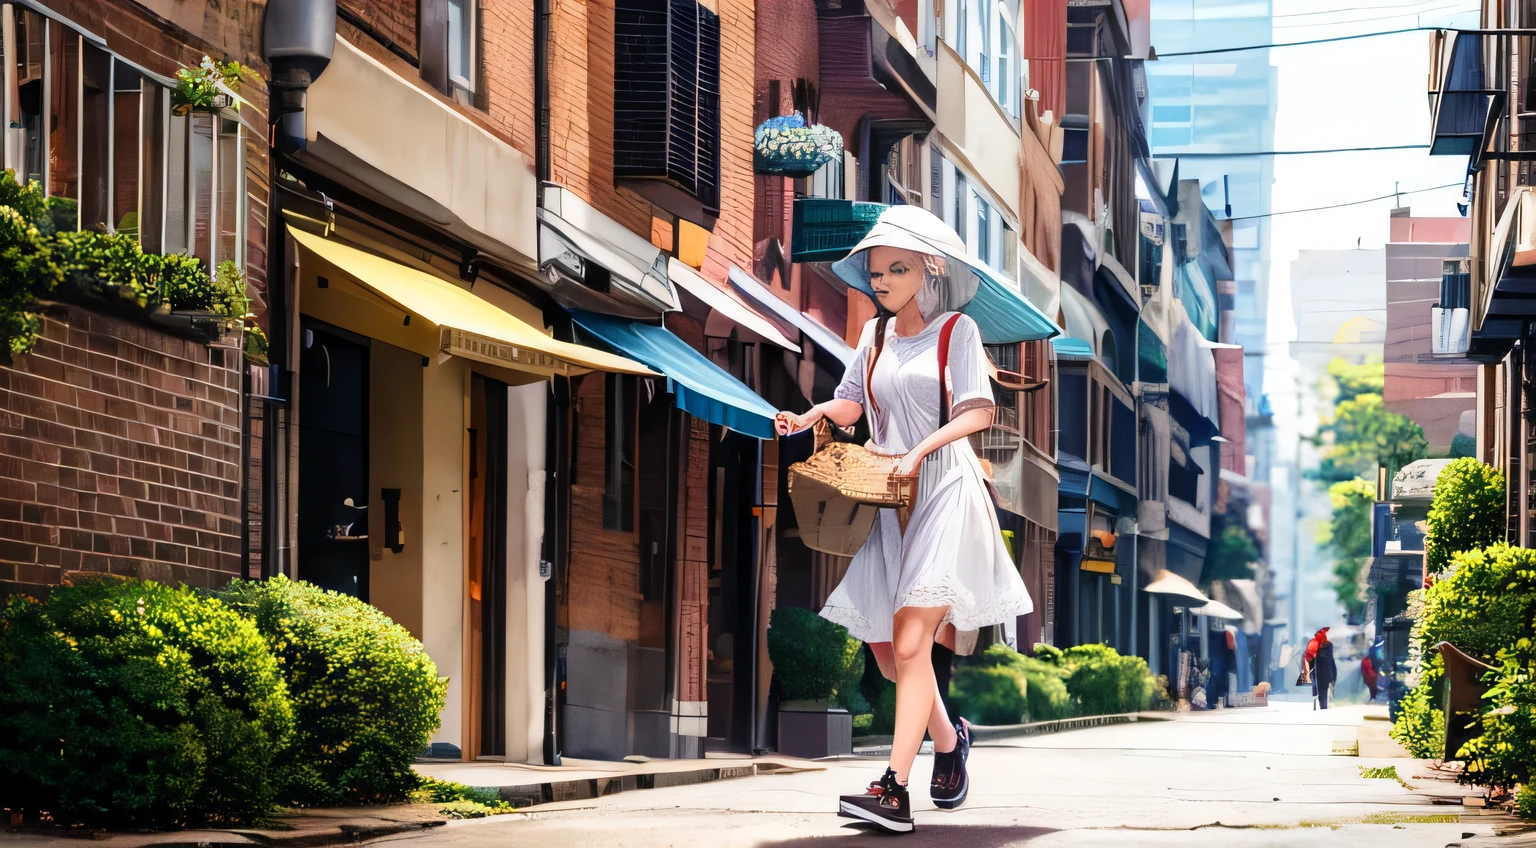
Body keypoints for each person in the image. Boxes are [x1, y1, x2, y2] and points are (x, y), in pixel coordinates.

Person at [774, 206, 1033, 834]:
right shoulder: (872, 337)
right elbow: (854, 402)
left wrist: (921, 447)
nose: (881, 278)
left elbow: (979, 413)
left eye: (897, 267)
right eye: (874, 267)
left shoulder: (957, 333)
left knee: (914, 641)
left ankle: (893, 788)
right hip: (889, 498)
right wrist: (813, 416)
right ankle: (950, 742)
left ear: (928, 271)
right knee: (891, 657)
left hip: (944, 489)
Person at [1306, 627, 1337, 709]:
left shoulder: (1314, 644)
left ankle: (1321, 706)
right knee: (1325, 691)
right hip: (1327, 671)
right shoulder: (1329, 645)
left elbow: (1309, 660)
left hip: (1318, 672)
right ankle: (1324, 706)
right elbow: (1331, 660)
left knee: (1320, 691)